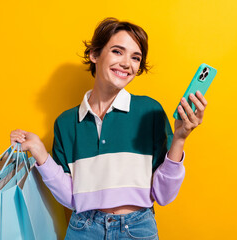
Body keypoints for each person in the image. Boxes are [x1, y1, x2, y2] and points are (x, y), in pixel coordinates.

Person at [10, 17, 208, 240]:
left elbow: (163, 195)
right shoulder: (66, 123)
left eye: (136, 57)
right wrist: (40, 153)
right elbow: (71, 197)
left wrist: (180, 138)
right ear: (94, 55)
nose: (127, 63)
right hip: (83, 228)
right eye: (117, 51)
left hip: (137, 228)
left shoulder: (149, 112)